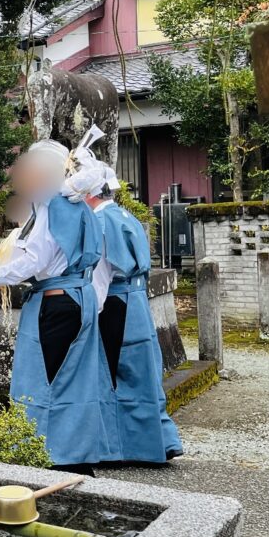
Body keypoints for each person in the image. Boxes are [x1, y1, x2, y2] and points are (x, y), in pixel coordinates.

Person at [0, 138, 118, 468]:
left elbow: (34, 261)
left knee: (42, 379)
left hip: (55, 300)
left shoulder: (49, 205)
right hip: (80, 297)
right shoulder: (79, 205)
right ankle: (77, 453)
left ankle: (45, 453)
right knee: (76, 380)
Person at [89, 164, 184, 461]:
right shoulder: (124, 215)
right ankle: (162, 440)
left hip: (115, 301)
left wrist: (91, 308)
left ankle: (121, 447)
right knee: (144, 371)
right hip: (137, 299)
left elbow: (100, 273)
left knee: (115, 372)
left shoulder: (100, 221)